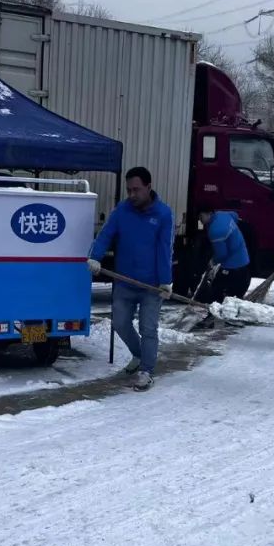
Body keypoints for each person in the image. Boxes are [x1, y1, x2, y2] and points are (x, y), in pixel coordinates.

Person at [88, 167, 174, 391]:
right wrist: (95, 258)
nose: (132, 194)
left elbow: (165, 249)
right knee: (120, 323)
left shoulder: (163, 214)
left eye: (136, 190)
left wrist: (166, 281)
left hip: (151, 285)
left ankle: (146, 370)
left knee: (148, 328)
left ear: (148, 187)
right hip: (124, 281)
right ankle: (138, 355)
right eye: (129, 190)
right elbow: (106, 234)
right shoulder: (122, 211)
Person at [197, 208, 252, 303]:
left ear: (209, 214)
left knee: (216, 294)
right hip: (244, 262)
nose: (200, 220)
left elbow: (222, 254)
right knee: (234, 299)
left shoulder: (215, 230)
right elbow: (235, 215)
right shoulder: (221, 215)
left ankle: (216, 313)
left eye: (201, 216)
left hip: (232, 267)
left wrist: (212, 261)